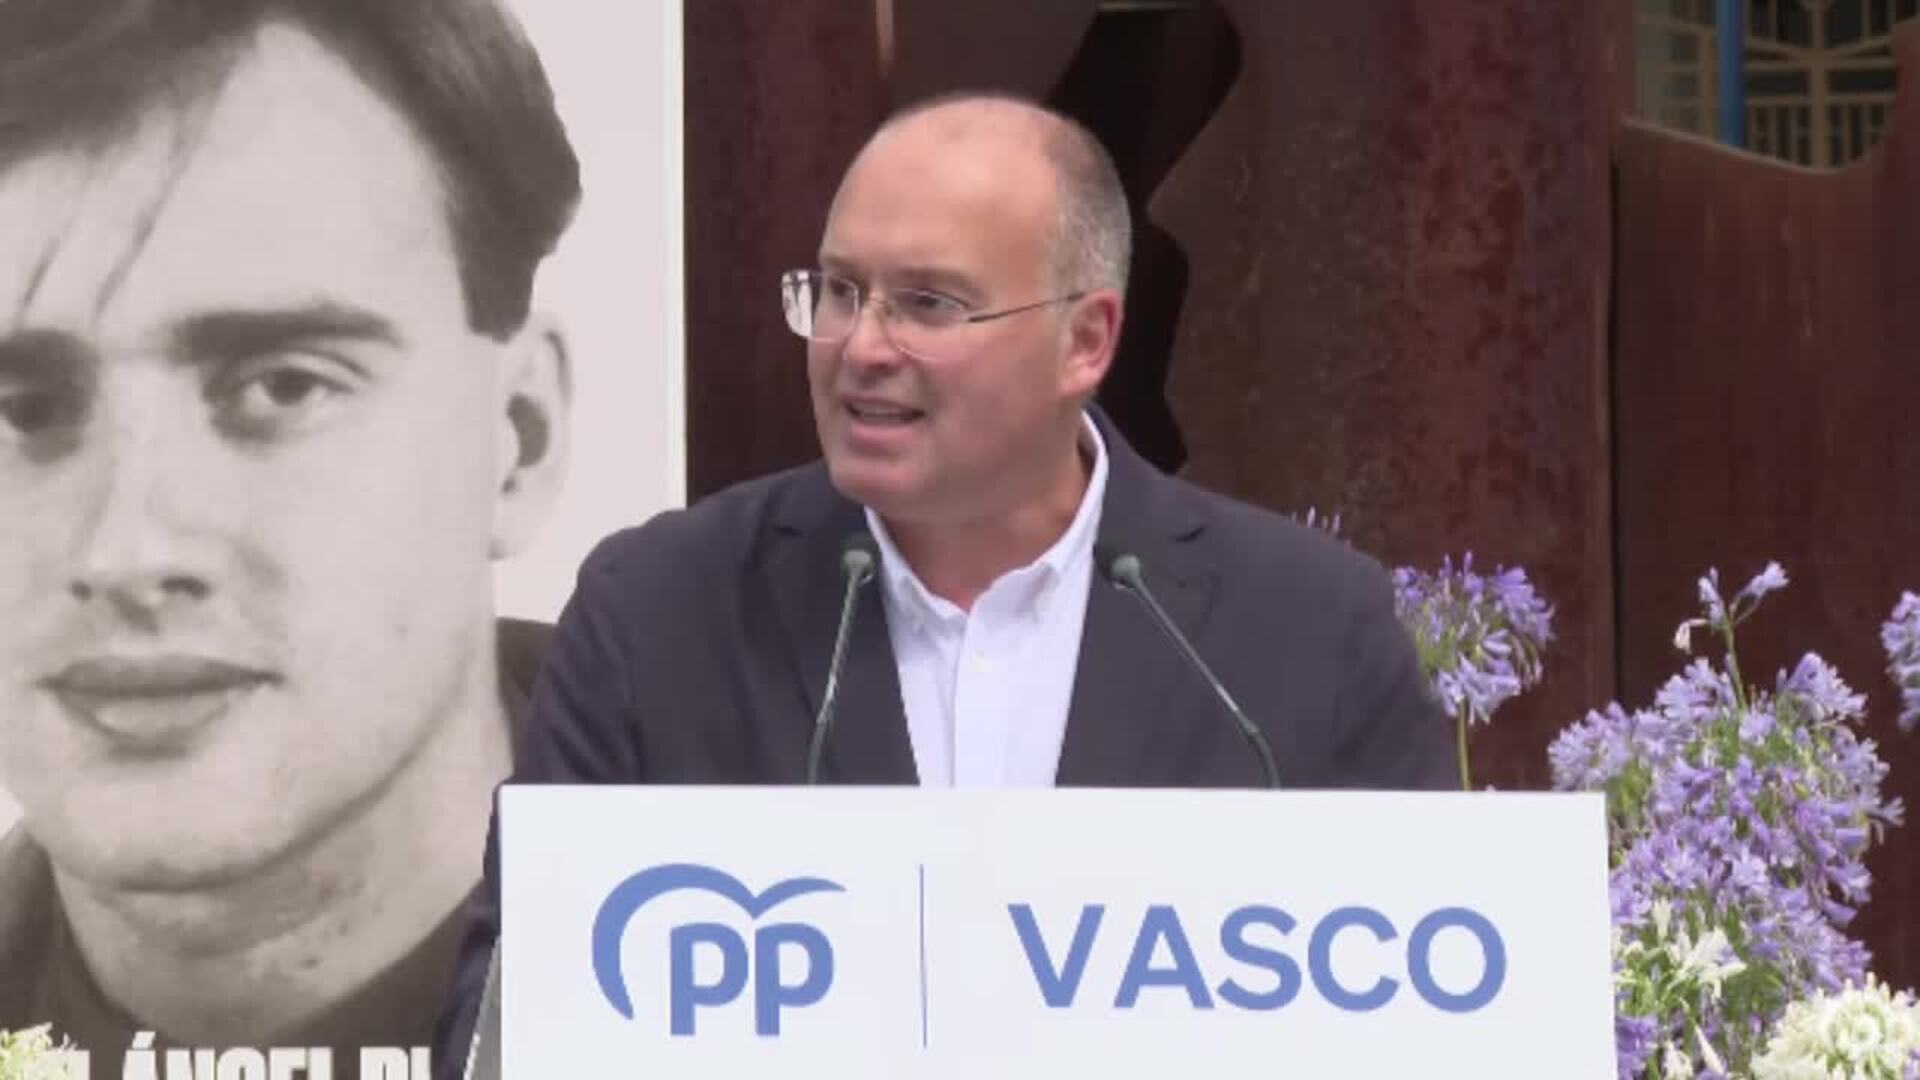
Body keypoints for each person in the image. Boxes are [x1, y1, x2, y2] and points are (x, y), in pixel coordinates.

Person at [433, 91, 1454, 1072]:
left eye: (927, 303)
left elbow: (1425, 1026)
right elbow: (500, 1031)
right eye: (839, 291)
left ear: (1086, 340)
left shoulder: (1309, 634)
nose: (861, 347)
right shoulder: (658, 613)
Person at [0, 0, 580, 1074]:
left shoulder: (869, 1001)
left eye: (282, 385)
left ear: (518, 438)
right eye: (24, 410)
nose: (125, 551)